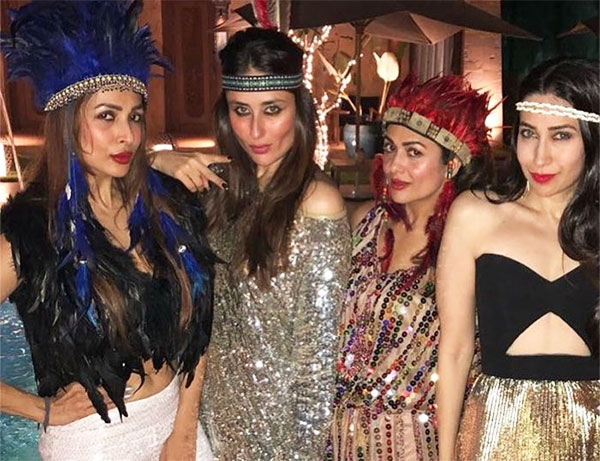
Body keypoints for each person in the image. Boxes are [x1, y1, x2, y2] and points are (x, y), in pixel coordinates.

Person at [0, 1, 215, 459]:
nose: (127, 136)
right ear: (67, 122)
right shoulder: (33, 233)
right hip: (95, 442)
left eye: (135, 116)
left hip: (176, 422)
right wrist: (41, 409)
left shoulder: (166, 206)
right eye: (106, 116)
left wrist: (184, 429)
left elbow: (199, 325)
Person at [154, 27, 351, 460]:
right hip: (205, 423)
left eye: (272, 110)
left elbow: (316, 364)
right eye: (241, 110)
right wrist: (157, 158)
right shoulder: (220, 189)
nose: (256, 130)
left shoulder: (316, 203)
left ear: (298, 110)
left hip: (276, 439)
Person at [436, 57, 599, 460]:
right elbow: (454, 350)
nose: (539, 158)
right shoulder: (475, 214)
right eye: (528, 133)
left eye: (561, 136)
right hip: (495, 431)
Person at [328, 75, 491, 461]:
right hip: (338, 438)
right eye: (390, 147)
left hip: (417, 444)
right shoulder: (364, 223)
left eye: (414, 152)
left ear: (451, 164)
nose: (394, 165)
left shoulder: (467, 241)